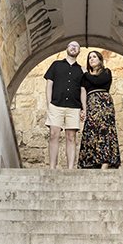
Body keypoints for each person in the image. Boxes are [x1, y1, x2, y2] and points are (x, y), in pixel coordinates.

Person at [44, 40, 85, 169]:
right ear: (66, 48)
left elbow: (83, 90)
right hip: (56, 105)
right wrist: (49, 103)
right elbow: (49, 84)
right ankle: (52, 167)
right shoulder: (56, 65)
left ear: (79, 51)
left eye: (76, 47)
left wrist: (84, 108)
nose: (74, 48)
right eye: (71, 46)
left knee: (71, 137)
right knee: (53, 134)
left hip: (74, 107)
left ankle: (70, 168)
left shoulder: (82, 70)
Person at [78, 50, 121, 169]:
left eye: (94, 57)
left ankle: (105, 163)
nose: (91, 59)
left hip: (104, 104)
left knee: (105, 130)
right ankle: (91, 162)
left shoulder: (106, 72)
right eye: (89, 57)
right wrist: (83, 109)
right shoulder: (85, 76)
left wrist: (86, 73)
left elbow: (98, 81)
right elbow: (82, 91)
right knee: (91, 130)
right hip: (91, 104)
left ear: (100, 60)